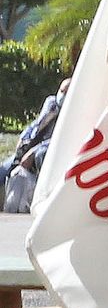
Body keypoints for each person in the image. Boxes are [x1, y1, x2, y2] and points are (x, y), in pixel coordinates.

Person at [2, 78, 67, 213]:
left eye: (66, 92)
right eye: (61, 91)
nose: (62, 95)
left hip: (45, 151)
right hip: (28, 147)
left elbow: (60, 139)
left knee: (39, 156)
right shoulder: (51, 103)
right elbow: (36, 124)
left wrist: (33, 151)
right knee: (3, 170)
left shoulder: (72, 113)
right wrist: (23, 139)